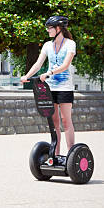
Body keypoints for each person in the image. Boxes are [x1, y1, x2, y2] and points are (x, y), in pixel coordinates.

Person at [21, 16, 76, 162]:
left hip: (65, 88)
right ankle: (56, 155)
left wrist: (49, 73)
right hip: (50, 88)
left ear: (59, 29)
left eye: (50, 28)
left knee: (66, 121)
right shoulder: (47, 45)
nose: (48, 30)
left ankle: (71, 155)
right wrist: (27, 76)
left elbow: (65, 65)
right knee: (54, 122)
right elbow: (38, 64)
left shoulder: (70, 44)